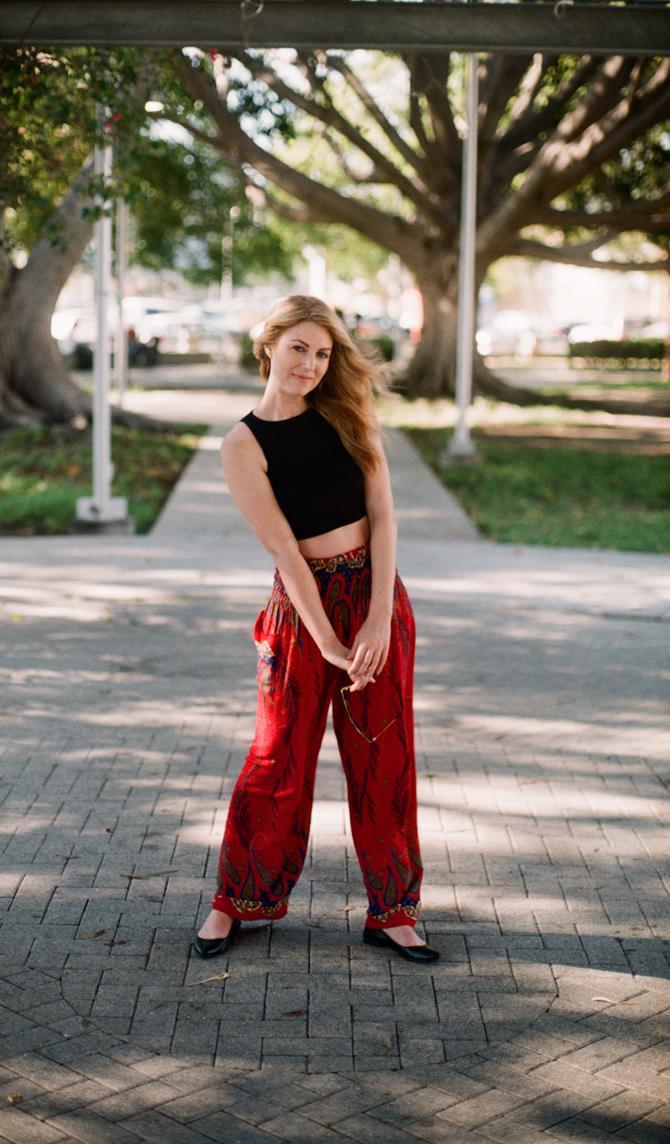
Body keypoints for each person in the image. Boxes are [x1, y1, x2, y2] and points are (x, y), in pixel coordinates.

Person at [193, 295, 438, 965]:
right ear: (268, 344)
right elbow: (284, 551)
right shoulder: (242, 444)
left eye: (323, 352)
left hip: (374, 594)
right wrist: (327, 639)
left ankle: (393, 910)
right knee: (278, 755)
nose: (310, 363)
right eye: (298, 346)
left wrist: (378, 615)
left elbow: (384, 519)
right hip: (301, 608)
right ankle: (236, 900)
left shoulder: (350, 417)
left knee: (383, 756)